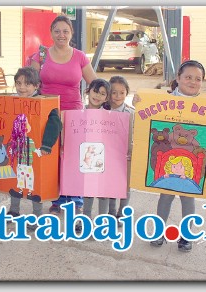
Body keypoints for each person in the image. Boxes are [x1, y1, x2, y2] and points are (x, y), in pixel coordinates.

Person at [147, 60, 206, 252]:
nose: (193, 82)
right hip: (170, 158)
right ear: (178, 78)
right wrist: (138, 101)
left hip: (191, 161)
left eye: (198, 79)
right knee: (165, 195)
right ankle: (159, 231)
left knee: (189, 197)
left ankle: (186, 235)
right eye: (188, 77)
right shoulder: (163, 100)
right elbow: (145, 112)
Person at [29, 15, 97, 215]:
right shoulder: (40, 56)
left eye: (65, 31)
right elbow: (30, 83)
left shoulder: (79, 56)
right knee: (52, 156)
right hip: (47, 115)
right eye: (57, 31)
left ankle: (75, 199)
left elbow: (94, 83)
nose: (61, 35)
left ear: (71, 33)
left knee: (73, 157)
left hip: (74, 113)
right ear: (51, 33)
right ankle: (57, 198)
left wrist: (114, 98)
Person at [0, 67, 62, 229]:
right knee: (15, 182)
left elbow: (55, 123)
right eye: (18, 83)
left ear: (36, 86)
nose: (22, 87)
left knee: (34, 184)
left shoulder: (44, 103)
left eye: (27, 84)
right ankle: (14, 211)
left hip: (33, 155)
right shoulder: (11, 101)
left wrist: (46, 144)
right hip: (16, 153)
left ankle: (37, 216)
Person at [79, 78, 113, 219]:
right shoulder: (78, 113)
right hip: (85, 158)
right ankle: (85, 218)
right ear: (88, 91)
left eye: (102, 94)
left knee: (103, 191)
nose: (97, 96)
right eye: (95, 91)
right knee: (88, 190)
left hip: (103, 158)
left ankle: (102, 220)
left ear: (106, 98)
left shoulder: (110, 117)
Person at [105, 76, 135, 225]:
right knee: (111, 184)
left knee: (125, 186)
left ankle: (121, 213)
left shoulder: (131, 113)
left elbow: (136, 134)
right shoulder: (102, 111)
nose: (117, 96)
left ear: (127, 93)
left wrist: (132, 152)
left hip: (126, 155)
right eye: (114, 92)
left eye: (121, 93)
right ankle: (111, 212)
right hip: (108, 155)